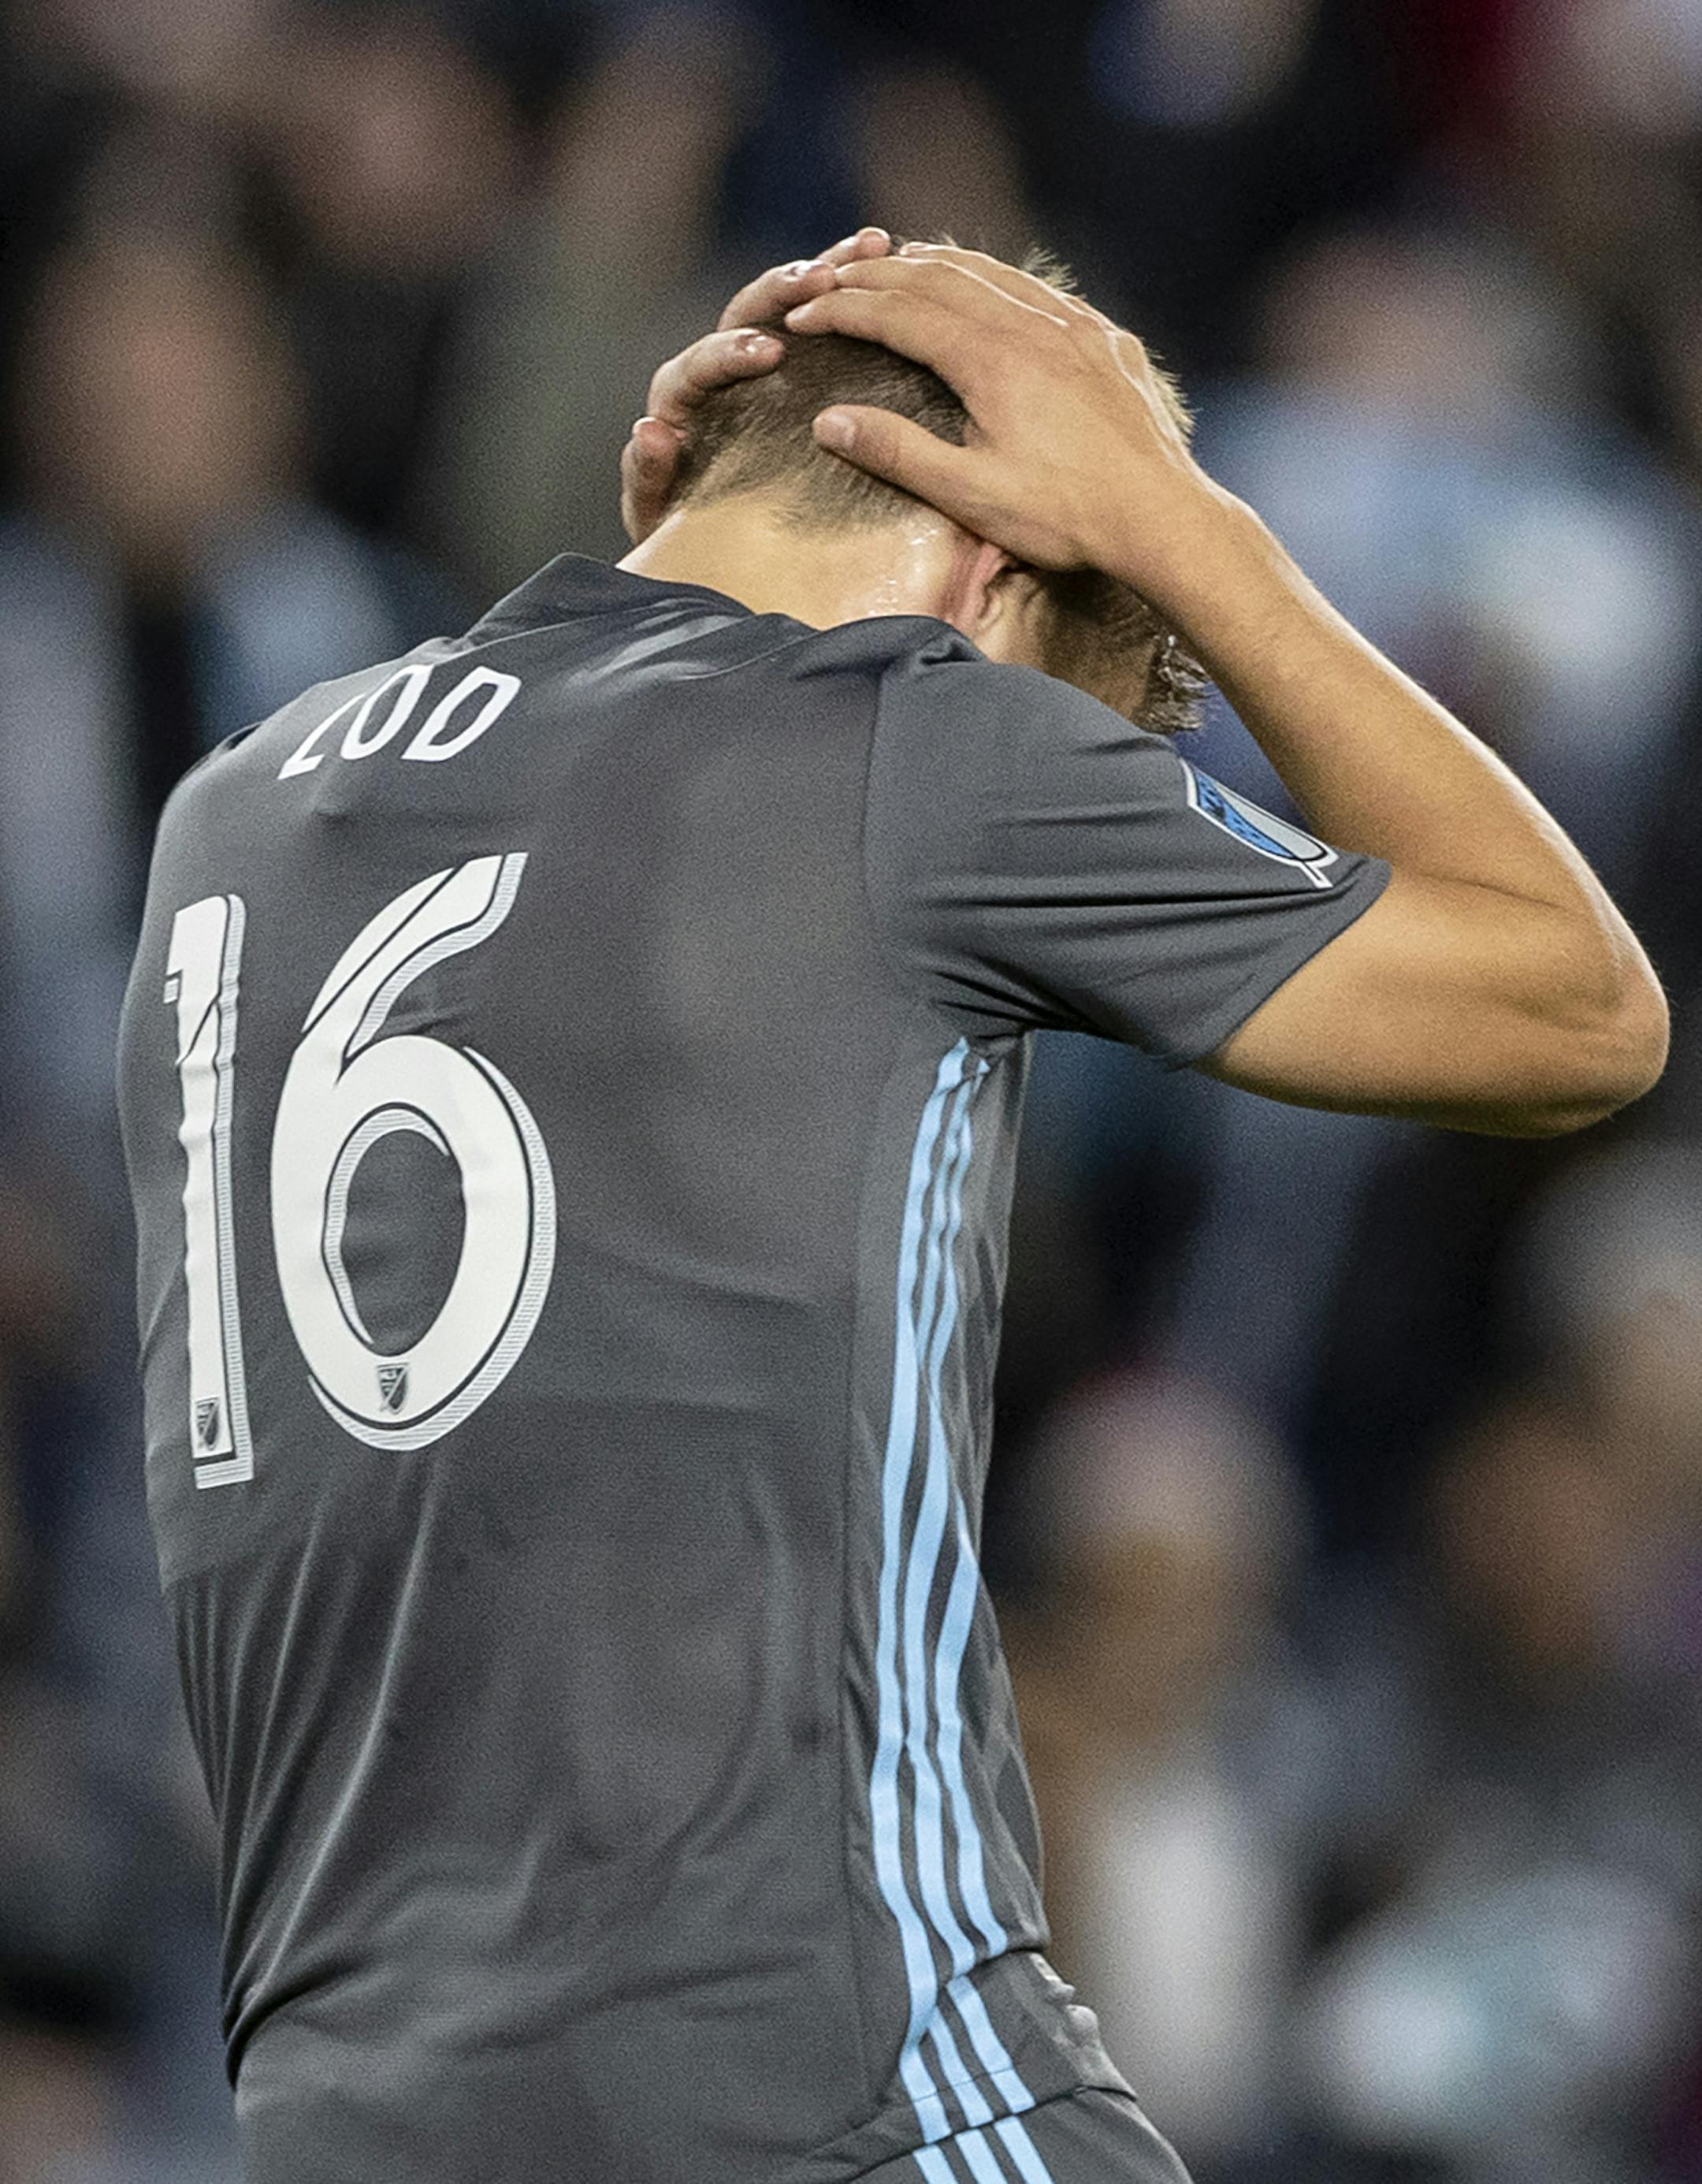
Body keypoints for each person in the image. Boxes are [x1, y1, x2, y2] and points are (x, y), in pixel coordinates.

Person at [114, 234, 1666, 2184]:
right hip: (833, 2095)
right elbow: (1576, 1009)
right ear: (990, 569)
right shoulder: (907, 739)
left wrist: (679, 580)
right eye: (1106, 712)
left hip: (349, 2122)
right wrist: (1194, 531)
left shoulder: (235, 817)